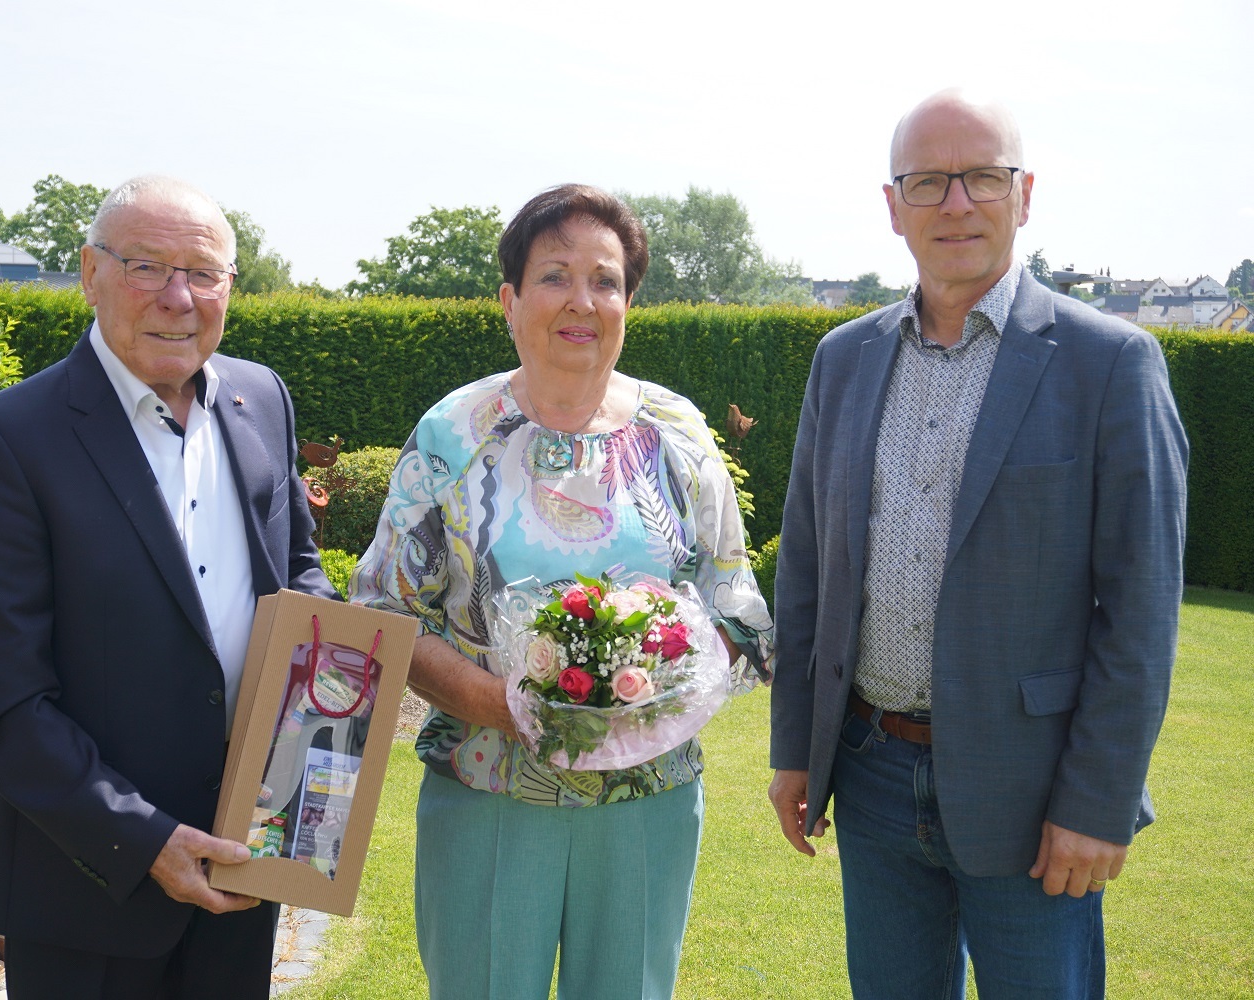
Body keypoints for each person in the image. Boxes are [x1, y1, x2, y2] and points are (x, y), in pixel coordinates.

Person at [767, 90, 1188, 999]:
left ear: (1024, 193)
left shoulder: (1111, 364)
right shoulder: (842, 360)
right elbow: (808, 568)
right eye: (927, 182)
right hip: (874, 780)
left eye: (982, 178)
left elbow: (1142, 610)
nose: (956, 203)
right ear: (893, 207)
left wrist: (1097, 803)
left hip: (1034, 798)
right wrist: (797, 747)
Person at [349, 183, 774, 1000]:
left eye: (606, 280)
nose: (582, 300)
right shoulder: (454, 434)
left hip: (647, 802)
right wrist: (491, 700)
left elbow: (737, 606)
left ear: (629, 301)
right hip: (489, 792)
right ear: (509, 301)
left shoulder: (678, 436)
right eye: (554, 276)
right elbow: (382, 609)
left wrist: (666, 685)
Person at [0, 175, 336, 999]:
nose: (178, 297)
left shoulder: (262, 398)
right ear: (90, 272)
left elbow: (297, 573)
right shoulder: (7, 439)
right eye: (146, 266)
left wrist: (322, 728)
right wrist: (147, 840)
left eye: (204, 273)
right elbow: (3, 704)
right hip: (87, 887)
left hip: (243, 867)